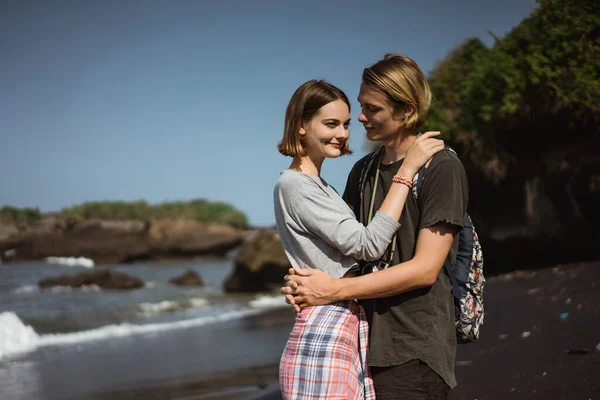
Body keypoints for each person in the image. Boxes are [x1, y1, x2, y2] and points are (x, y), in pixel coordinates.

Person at [282, 54, 469, 399]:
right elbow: (347, 251)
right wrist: (303, 280)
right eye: (361, 107)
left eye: (373, 109)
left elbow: (425, 270)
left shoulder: (441, 167)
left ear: (407, 111)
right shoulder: (363, 171)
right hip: (362, 342)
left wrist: (331, 291)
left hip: (414, 346)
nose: (362, 119)